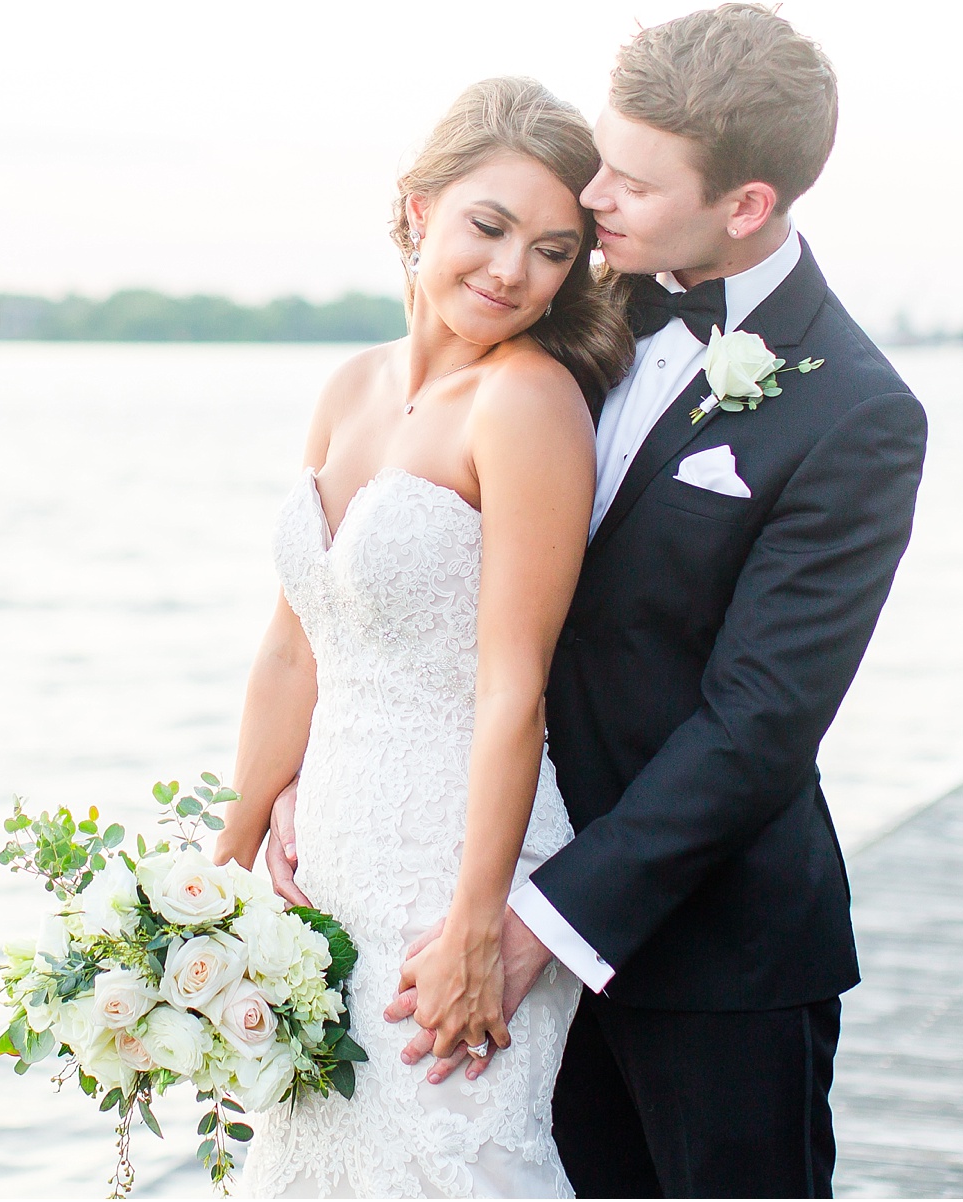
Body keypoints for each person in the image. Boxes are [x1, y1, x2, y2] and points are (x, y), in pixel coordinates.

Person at [275, 5, 929, 1196]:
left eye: (628, 179)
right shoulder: (569, 303)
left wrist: (538, 923)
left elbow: (760, 724)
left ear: (745, 206)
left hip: (705, 950)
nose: (592, 196)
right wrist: (303, 786)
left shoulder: (857, 415)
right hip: (472, 891)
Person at [210, 77, 633, 1197]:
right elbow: (294, 647)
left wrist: (475, 923)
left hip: (457, 859)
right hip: (335, 857)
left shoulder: (530, 401)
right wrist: (215, 878)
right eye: (489, 228)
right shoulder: (349, 387)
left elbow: (514, 690)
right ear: (417, 208)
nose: (513, 272)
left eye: (552, 250)